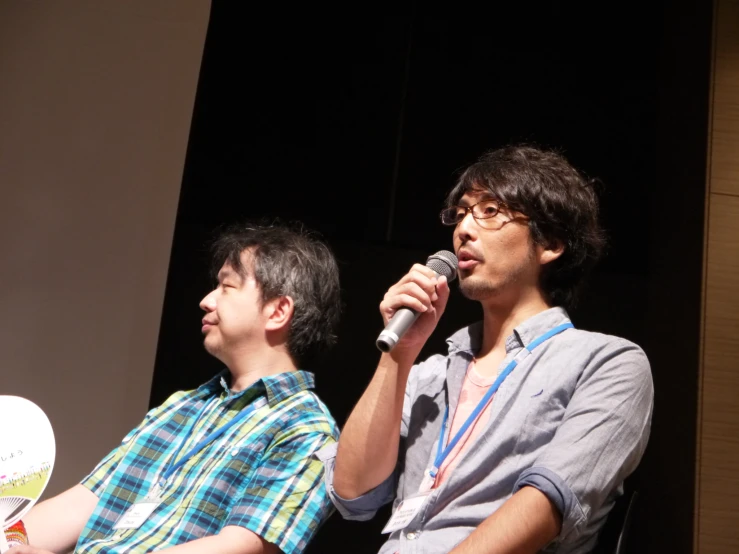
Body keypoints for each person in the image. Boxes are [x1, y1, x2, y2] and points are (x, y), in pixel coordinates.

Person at [323, 145, 654, 553]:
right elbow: (353, 492)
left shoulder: (606, 362)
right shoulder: (429, 373)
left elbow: (546, 507)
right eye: (460, 213)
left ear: (549, 242)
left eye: (491, 211)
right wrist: (399, 354)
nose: (464, 228)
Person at [7, 221, 342, 554]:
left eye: (227, 287)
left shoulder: (306, 429)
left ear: (278, 311)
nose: (207, 300)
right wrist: (9, 538)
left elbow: (240, 548)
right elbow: (87, 501)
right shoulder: (182, 406)